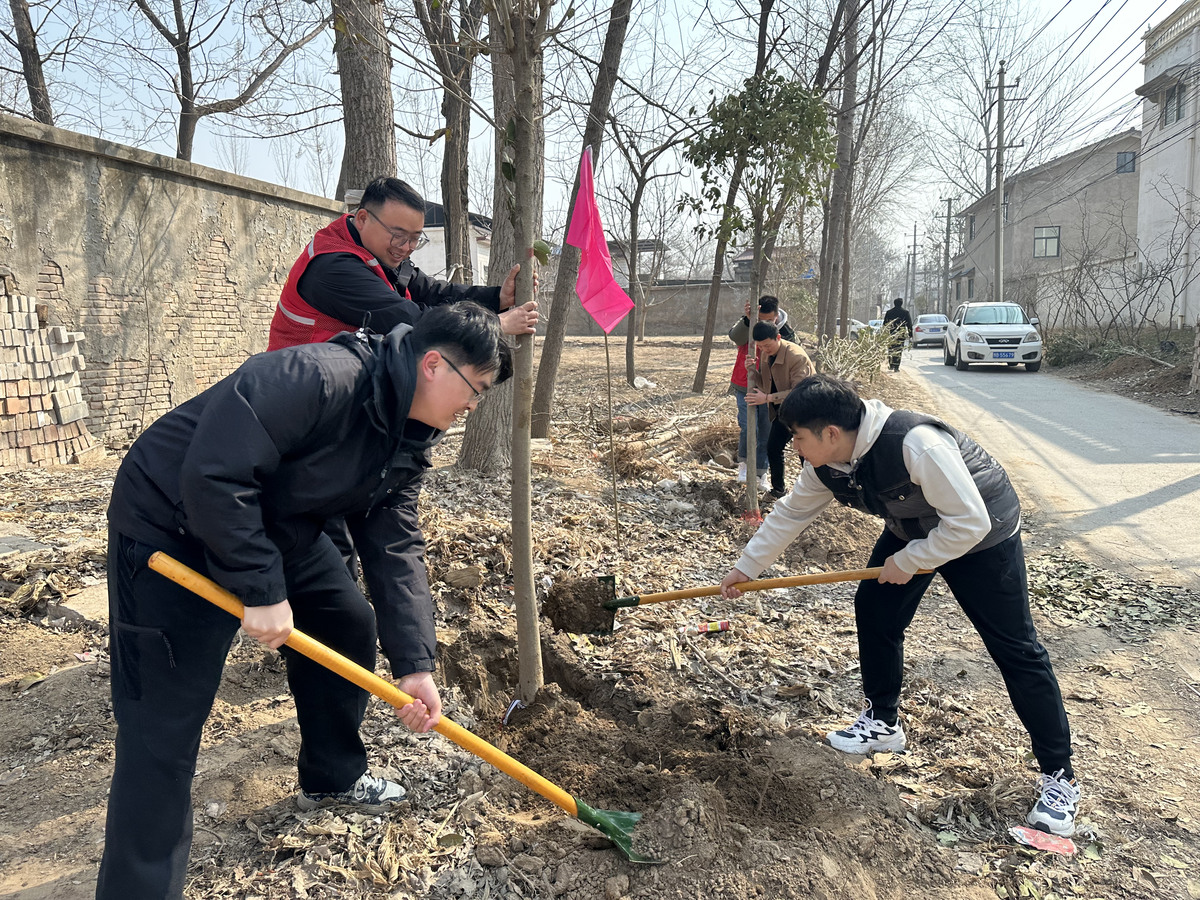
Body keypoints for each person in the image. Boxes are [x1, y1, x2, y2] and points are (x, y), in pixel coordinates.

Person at [98, 303, 510, 899]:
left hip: (274, 521)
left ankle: (333, 774)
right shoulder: (318, 377)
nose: (472, 408)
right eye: (475, 391)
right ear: (433, 365)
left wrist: (415, 663)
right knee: (162, 731)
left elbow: (395, 547)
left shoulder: (408, 435)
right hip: (172, 526)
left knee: (346, 620)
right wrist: (260, 589)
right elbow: (213, 475)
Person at [719, 374, 1080, 837]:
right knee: (875, 610)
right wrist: (748, 567)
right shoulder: (828, 463)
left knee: (1016, 649)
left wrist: (912, 560)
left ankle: (1059, 777)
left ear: (831, 433)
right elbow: (791, 514)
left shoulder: (916, 444)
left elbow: (969, 522)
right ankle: (882, 722)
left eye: (799, 438)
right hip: (914, 524)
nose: (794, 448)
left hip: (982, 533)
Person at [268, 176, 538, 351]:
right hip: (305, 394)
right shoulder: (333, 267)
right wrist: (493, 324)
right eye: (398, 236)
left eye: (414, 239)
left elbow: (433, 292)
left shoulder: (379, 253)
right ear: (362, 219)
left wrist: (498, 298)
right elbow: (409, 319)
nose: (407, 248)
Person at [728, 295, 796, 487]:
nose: (764, 323)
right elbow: (735, 337)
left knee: (766, 431)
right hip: (745, 384)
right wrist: (749, 320)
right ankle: (744, 466)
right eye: (761, 319)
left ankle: (760, 473)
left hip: (771, 390)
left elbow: (792, 354)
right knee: (748, 426)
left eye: (769, 320)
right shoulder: (748, 323)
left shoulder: (786, 332)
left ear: (777, 315)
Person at [744, 321, 814, 498]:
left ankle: (813, 489)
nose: (764, 349)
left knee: (806, 452)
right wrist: (751, 370)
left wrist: (766, 399)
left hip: (805, 410)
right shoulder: (766, 354)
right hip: (782, 411)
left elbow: (800, 392)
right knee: (773, 448)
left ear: (779, 338)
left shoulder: (796, 356)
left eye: (767, 345)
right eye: (760, 346)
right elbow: (766, 383)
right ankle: (778, 490)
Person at [882, 297, 913, 372]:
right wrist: (910, 334)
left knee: (891, 349)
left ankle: (891, 364)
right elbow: (909, 324)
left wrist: (884, 334)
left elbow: (885, 324)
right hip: (901, 334)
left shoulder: (889, 312)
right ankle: (896, 366)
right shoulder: (905, 312)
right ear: (901, 304)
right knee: (899, 349)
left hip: (891, 333)